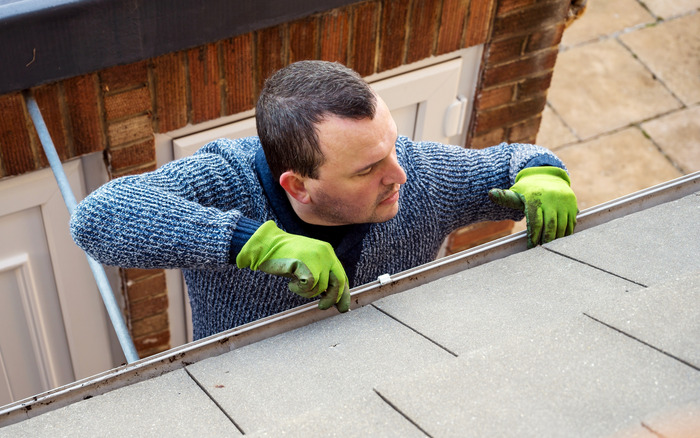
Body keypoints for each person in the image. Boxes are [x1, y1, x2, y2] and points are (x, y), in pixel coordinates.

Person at [70, 60, 578, 340]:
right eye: (367, 170)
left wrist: (544, 175)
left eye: (392, 147)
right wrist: (255, 244)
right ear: (297, 186)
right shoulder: (225, 179)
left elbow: (514, 163)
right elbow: (97, 217)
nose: (398, 174)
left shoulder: (419, 175)